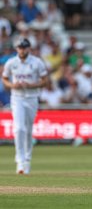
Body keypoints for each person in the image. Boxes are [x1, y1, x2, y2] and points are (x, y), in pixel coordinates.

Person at [1, 38, 48, 174]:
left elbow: (44, 80)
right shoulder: (11, 62)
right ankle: (20, 161)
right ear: (16, 48)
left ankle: (27, 159)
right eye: (19, 47)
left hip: (32, 97)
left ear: (29, 48)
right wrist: (12, 85)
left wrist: (31, 85)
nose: (22, 50)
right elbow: (5, 78)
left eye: (24, 47)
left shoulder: (37, 62)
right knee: (19, 128)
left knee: (28, 130)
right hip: (17, 98)